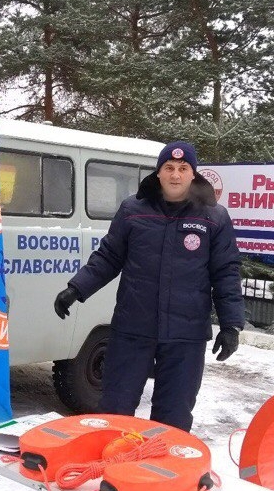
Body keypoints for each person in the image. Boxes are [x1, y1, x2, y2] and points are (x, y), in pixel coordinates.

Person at [53, 141, 244, 432]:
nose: (175, 175)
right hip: (133, 328)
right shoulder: (133, 210)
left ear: (194, 174)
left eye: (183, 168)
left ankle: (163, 474)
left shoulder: (213, 217)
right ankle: (111, 467)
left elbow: (226, 272)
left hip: (185, 335)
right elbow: (108, 256)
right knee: (116, 409)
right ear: (158, 173)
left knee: (174, 416)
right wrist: (76, 289)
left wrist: (231, 325)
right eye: (169, 168)